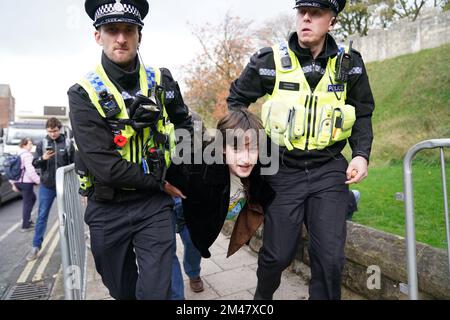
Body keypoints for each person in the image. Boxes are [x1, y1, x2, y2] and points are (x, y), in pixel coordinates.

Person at [227, 0, 375, 300]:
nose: (306, 18)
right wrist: (246, 148)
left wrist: (361, 153)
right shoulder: (269, 60)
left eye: (316, 13)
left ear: (332, 21)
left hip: (329, 168)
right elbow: (236, 101)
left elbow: (362, 112)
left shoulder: (350, 63)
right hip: (282, 170)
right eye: (302, 11)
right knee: (277, 256)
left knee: (330, 260)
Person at [68, 0, 192, 300]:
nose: (121, 38)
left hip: (153, 205)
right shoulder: (82, 92)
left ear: (139, 35)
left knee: (156, 292)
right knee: (121, 290)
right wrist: (160, 181)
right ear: (98, 35)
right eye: (112, 30)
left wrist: (178, 166)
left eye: (128, 30)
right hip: (107, 207)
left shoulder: (161, 80)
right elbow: (105, 166)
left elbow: (185, 125)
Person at [169, 110, 274, 262]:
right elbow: (168, 173)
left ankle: (194, 269)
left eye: (253, 148)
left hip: (208, 209)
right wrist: (163, 184)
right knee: (180, 249)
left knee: (193, 249)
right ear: (223, 147)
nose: (246, 159)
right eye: (237, 149)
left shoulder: (262, 167)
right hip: (183, 207)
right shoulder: (197, 170)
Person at [26, 118, 74, 261]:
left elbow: (73, 165)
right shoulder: (42, 144)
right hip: (47, 186)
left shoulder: (67, 143)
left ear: (59, 129)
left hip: (64, 185)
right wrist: (43, 158)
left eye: (55, 131)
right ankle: (35, 246)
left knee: (68, 216)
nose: (53, 134)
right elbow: (34, 163)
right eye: (50, 131)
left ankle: (72, 246)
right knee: (42, 216)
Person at [171, 197, 203, 300]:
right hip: (160, 202)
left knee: (192, 242)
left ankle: (193, 272)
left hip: (185, 199)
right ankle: (177, 297)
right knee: (167, 252)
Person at [10, 138, 40, 232]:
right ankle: (25, 226)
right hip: (26, 183)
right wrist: (39, 181)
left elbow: (11, 170)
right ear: (24, 145)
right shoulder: (27, 155)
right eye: (29, 144)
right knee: (27, 203)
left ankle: (28, 220)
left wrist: (13, 183)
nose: (31, 145)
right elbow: (31, 171)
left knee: (32, 198)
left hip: (19, 182)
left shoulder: (18, 154)